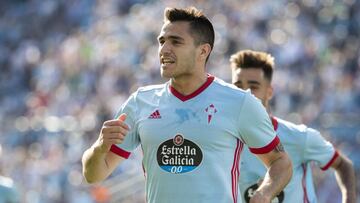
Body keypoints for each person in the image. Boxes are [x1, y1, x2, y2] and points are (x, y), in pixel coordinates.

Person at [82, 7, 292, 203]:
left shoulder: (240, 102)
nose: (164, 49)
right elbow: (93, 175)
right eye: (162, 41)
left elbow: (280, 162)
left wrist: (263, 194)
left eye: (175, 41)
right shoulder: (140, 102)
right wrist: (100, 147)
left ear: (203, 51)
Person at [230, 50, 356, 203]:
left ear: (269, 92)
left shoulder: (299, 137)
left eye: (254, 86)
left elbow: (343, 165)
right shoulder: (224, 140)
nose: (245, 93)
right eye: (238, 86)